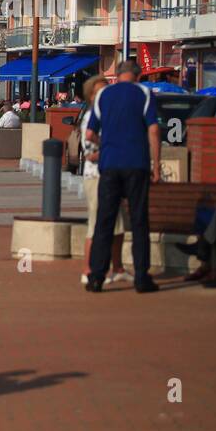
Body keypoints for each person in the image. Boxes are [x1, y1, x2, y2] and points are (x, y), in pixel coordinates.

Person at [86, 59, 161, 293]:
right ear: (137, 76)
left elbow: (89, 133)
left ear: (117, 75)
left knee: (104, 221)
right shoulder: (144, 94)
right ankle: (141, 277)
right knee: (139, 220)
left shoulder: (103, 96)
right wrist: (155, 164)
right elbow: (154, 129)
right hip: (136, 163)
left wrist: (106, 144)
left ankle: (96, 277)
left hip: (109, 165)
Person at [77, 75, 131, 287]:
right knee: (97, 224)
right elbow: (91, 153)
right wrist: (118, 148)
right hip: (96, 177)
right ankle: (87, 269)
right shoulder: (91, 117)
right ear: (91, 96)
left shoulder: (108, 115)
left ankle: (117, 267)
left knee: (117, 224)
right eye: (100, 92)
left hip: (111, 174)